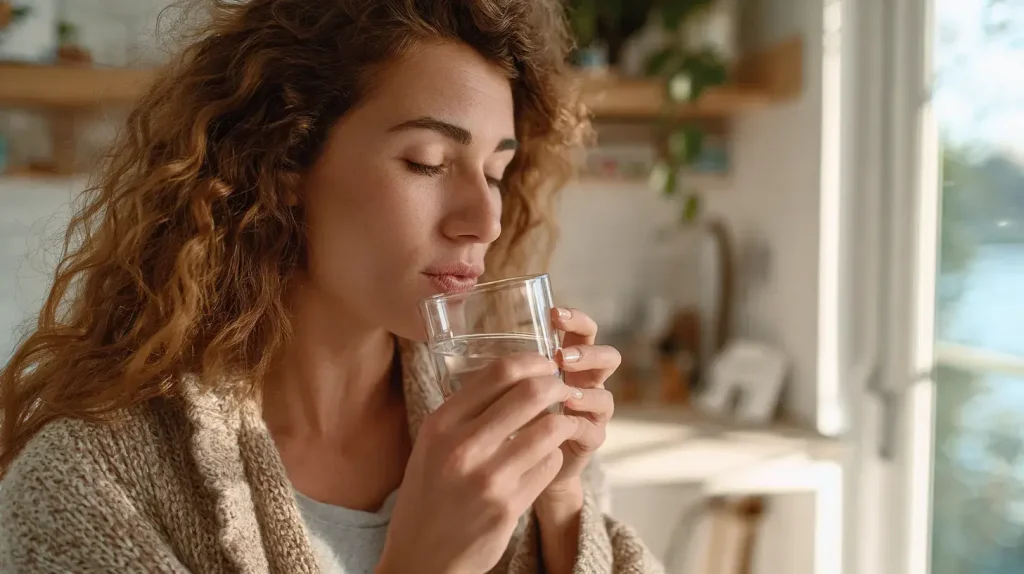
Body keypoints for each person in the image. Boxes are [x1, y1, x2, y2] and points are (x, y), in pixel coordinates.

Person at [0, 0, 663, 572]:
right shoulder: (84, 484)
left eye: (495, 172)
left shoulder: (506, 435)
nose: (485, 220)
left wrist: (560, 509)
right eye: (427, 163)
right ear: (286, 158)